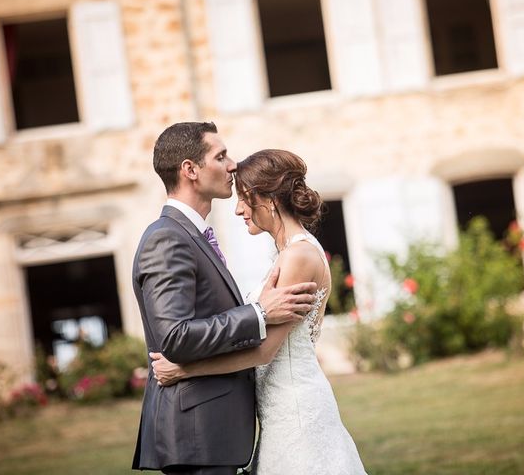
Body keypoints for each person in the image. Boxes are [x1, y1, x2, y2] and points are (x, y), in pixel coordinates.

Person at [150, 149, 368, 475]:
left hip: (297, 414)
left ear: (270, 199)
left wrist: (184, 370)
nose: (238, 209)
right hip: (280, 411)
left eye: (244, 198)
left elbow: (264, 351)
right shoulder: (288, 253)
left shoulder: (299, 256)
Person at [131, 123, 317, 475]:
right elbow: (174, 336)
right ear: (190, 170)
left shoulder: (193, 236)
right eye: (220, 156)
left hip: (215, 434)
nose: (232, 164)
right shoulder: (167, 239)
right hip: (197, 435)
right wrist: (259, 313)